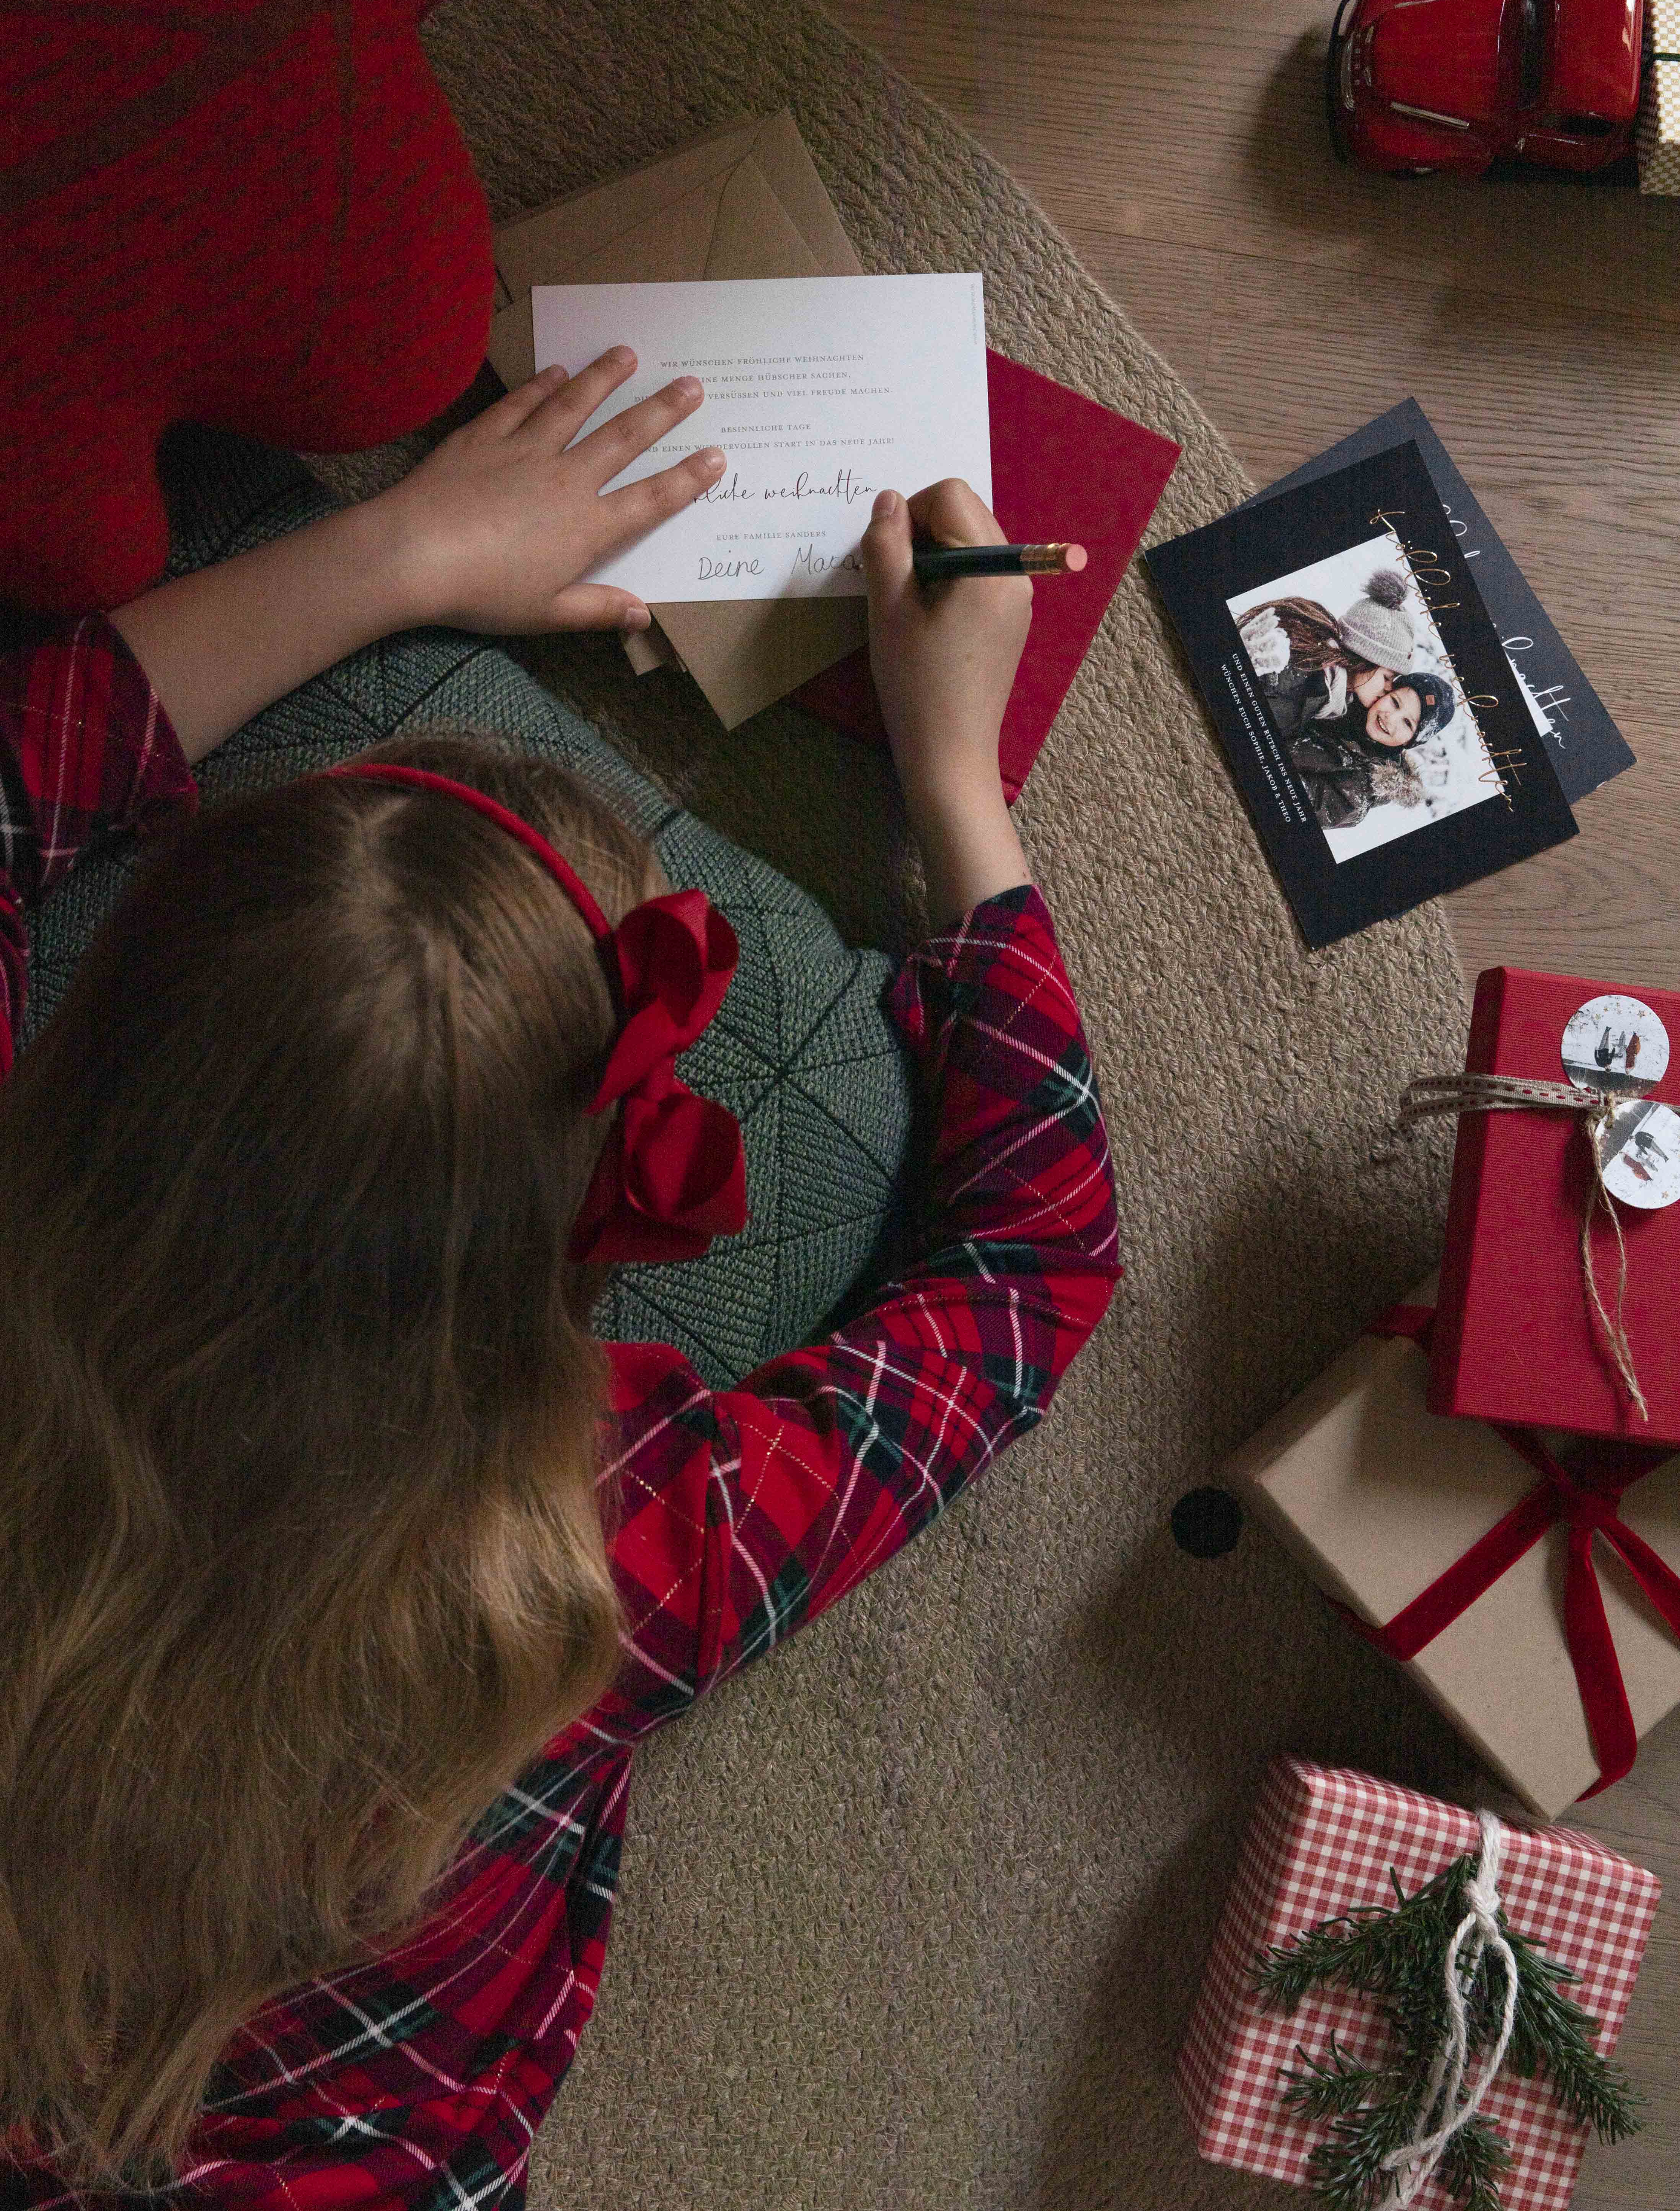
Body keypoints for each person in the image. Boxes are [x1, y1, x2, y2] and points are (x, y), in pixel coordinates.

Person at [0, 351, 1119, 2203]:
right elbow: (1029, 1269)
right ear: (587, 1195)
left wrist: (399, 547)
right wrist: (951, 778)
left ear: (97, 1006)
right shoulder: (607, 1553)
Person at [1236, 568, 1415, 746]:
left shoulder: (1330, 692)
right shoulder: (1298, 673)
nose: (1389, 689)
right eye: (1387, 678)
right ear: (1367, 657)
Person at [1287, 667, 1458, 831]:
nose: (1391, 718)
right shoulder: (1343, 699)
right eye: (1395, 703)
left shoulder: (1362, 788)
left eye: (1407, 723)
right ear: (1385, 693)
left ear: (1411, 742)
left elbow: (1297, 804)